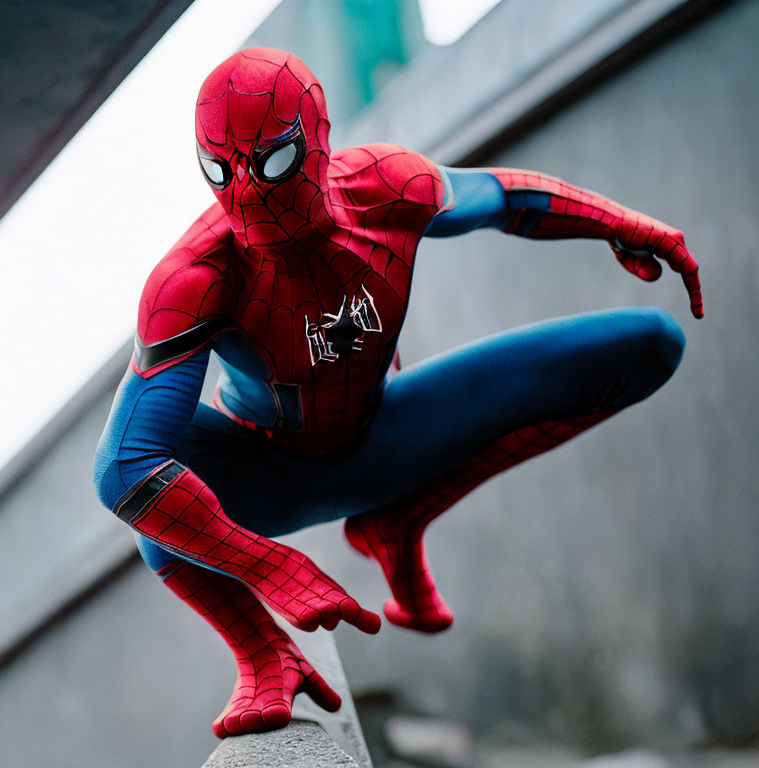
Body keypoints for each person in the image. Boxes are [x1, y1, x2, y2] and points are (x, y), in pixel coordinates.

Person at [94, 47, 702, 737]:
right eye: (219, 169)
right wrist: (268, 568)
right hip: (268, 474)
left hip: (384, 438)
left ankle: (399, 517)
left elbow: (506, 196)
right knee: (157, 499)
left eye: (271, 163)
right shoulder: (192, 278)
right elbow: (123, 468)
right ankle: (263, 655)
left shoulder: (387, 186)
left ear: (318, 143)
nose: (246, 194)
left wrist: (620, 222)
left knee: (650, 345)